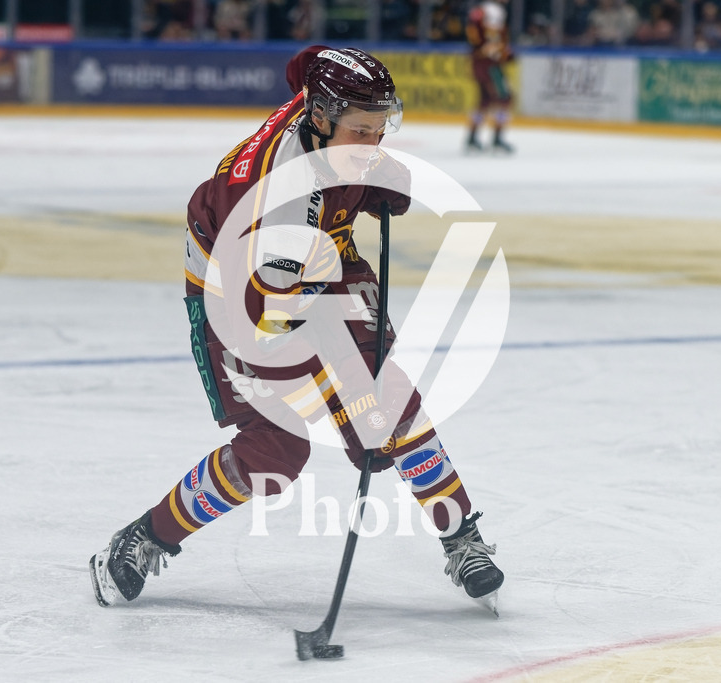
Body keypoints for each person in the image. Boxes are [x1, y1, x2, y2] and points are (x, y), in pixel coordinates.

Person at [89, 46, 505, 613]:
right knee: (274, 452)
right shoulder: (272, 203)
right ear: (322, 117)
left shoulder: (323, 115)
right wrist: (352, 400)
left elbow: (307, 66)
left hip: (316, 254)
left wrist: (377, 177)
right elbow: (274, 326)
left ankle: (461, 538)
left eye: (379, 129)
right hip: (240, 295)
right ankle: (145, 536)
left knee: (391, 403)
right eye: (361, 132)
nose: (373, 144)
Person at [465, 0, 516, 153]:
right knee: (505, 99)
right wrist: (501, 52)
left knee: (484, 100)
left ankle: (472, 136)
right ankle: (497, 137)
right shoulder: (493, 11)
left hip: (480, 63)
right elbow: (492, 40)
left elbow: (475, 36)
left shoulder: (480, 11)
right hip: (490, 65)